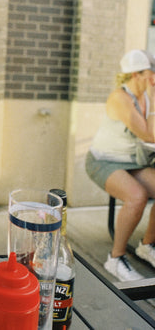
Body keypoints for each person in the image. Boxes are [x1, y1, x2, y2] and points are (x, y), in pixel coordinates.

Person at [86, 49, 155, 281]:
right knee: (137, 196)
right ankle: (115, 258)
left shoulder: (146, 94)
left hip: (133, 161)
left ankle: (147, 246)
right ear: (136, 75)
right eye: (150, 72)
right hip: (103, 161)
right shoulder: (120, 98)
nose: (153, 76)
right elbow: (148, 134)